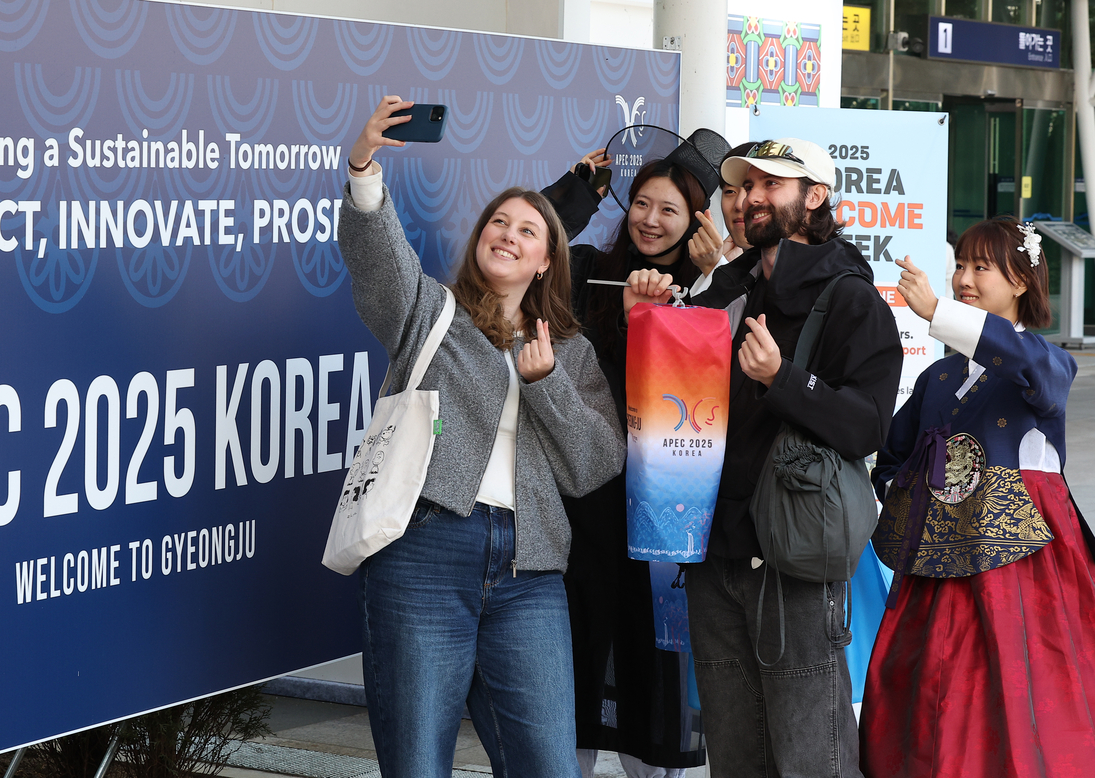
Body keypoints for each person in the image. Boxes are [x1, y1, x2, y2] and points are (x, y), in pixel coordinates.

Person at [337, 96, 627, 778]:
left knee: (549, 767)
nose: (508, 234)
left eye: (528, 230)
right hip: (425, 555)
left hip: (531, 573)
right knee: (417, 763)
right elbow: (379, 260)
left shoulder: (572, 353)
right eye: (498, 222)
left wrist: (545, 381)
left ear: (547, 260)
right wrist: (363, 168)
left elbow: (595, 464)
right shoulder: (430, 314)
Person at [686, 138, 904, 777]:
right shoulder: (732, 286)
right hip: (714, 553)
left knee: (813, 760)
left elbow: (868, 426)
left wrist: (783, 379)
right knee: (733, 759)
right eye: (744, 186)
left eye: (770, 185)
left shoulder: (852, 300)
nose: (749, 198)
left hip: (794, 563)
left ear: (815, 198)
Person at [861, 217, 1094, 778]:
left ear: (1021, 281)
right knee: (929, 685)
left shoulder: (1043, 362)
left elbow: (1031, 366)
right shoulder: (938, 377)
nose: (965, 277)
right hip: (939, 564)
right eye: (960, 265)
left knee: (1021, 684)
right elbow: (892, 457)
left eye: (981, 267)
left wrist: (940, 314)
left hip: (1024, 562)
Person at [540, 131, 729, 778]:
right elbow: (524, 246)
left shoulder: (706, 291)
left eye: (669, 209)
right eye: (641, 203)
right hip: (586, 504)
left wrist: (708, 276)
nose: (650, 220)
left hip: (665, 511)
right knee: (579, 666)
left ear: (697, 220)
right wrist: (574, 190)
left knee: (656, 670)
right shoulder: (589, 266)